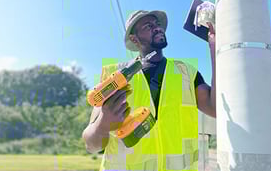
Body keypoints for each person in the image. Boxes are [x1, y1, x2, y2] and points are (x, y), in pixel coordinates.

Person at [82, 10, 216, 171]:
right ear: (134, 39)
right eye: (148, 26)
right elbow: (91, 146)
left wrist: (215, 49)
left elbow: (215, 109)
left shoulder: (187, 72)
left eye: (158, 24)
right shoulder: (114, 77)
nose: (157, 28)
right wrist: (102, 124)